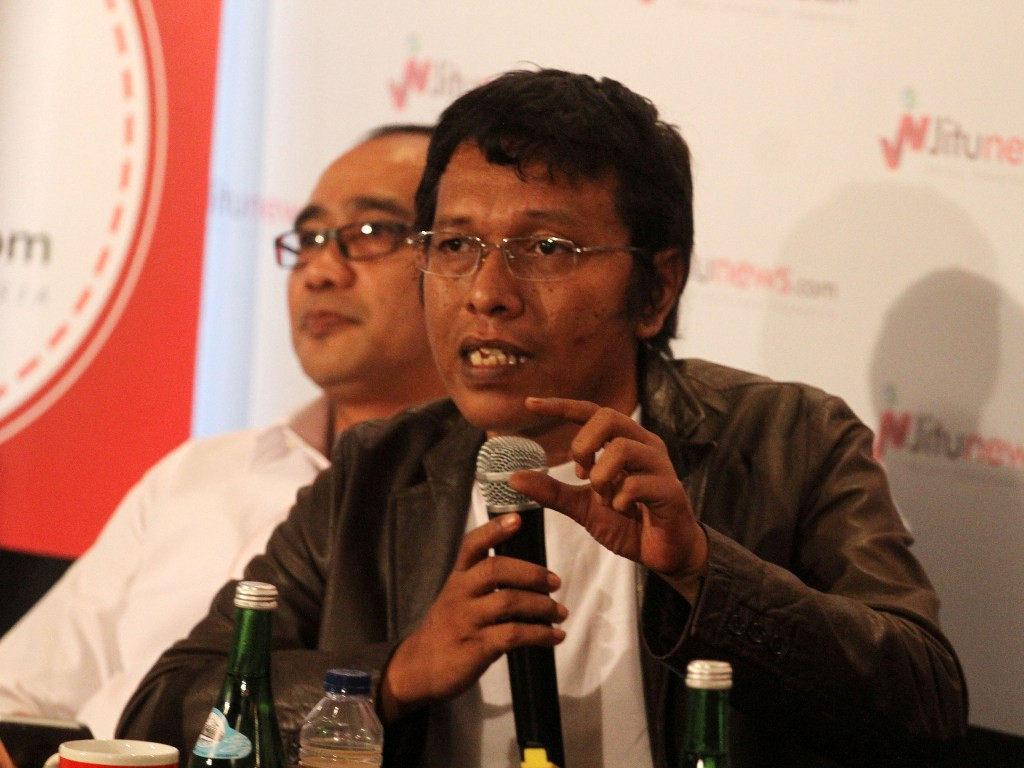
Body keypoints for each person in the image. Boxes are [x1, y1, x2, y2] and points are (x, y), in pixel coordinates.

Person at [117, 71, 968, 768]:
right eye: (456, 245)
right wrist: (393, 676)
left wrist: (704, 573)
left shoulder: (790, 441)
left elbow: (925, 709)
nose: (487, 293)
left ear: (657, 288)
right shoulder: (378, 470)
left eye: (547, 249)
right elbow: (168, 708)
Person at [0, 124, 445, 740]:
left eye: (370, 233)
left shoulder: (471, 499)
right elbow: (21, 687)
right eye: (310, 239)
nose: (320, 270)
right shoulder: (199, 472)